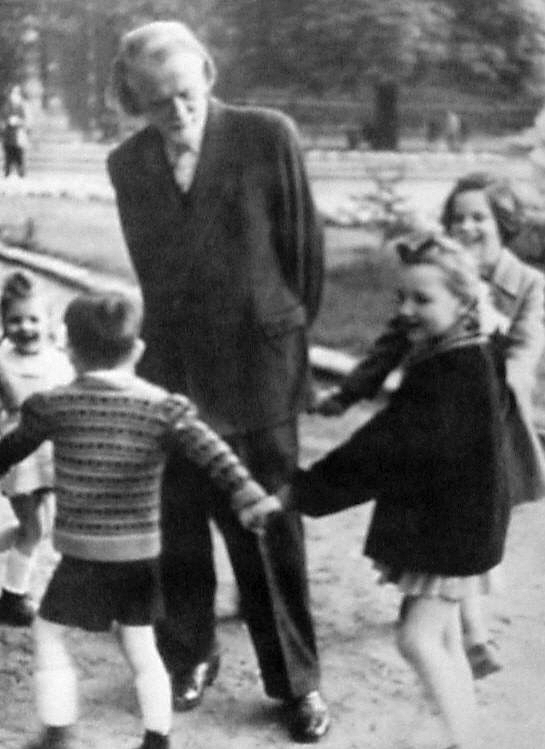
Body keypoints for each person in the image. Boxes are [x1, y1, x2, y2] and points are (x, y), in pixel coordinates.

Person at [107, 20, 329, 742]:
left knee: (264, 522)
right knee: (177, 519)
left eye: (184, 92)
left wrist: (280, 337)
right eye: (156, 101)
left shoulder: (266, 134)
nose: (176, 111)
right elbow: (152, 272)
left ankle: (294, 680)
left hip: (257, 367)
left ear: (205, 71)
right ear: (134, 101)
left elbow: (304, 255)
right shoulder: (128, 163)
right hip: (173, 368)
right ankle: (190, 652)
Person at [250, 235, 515, 749]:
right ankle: (468, 737)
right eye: (402, 299)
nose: (407, 311)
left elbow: (382, 449)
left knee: (417, 639)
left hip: (454, 527)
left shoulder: (454, 372)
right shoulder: (467, 351)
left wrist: (297, 493)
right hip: (460, 520)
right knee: (441, 638)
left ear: (463, 302)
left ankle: (467, 742)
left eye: (423, 300)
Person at [0, 291, 279, 749]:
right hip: (139, 554)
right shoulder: (163, 408)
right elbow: (213, 452)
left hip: (84, 553)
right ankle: (157, 737)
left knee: (49, 633)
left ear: (68, 348)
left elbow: (11, 449)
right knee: (141, 645)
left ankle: (56, 730)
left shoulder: (55, 405)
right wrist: (248, 495)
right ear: (137, 350)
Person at [316, 171, 545, 678]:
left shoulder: (526, 283)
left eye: (479, 217)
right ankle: (466, 633)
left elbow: (528, 348)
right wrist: (350, 393)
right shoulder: (431, 273)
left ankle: (471, 633)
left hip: (495, 419)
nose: (467, 226)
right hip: (443, 420)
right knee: (450, 526)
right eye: (458, 216)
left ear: (502, 224)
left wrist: (490, 374)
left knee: (475, 524)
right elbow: (389, 345)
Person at [0, 271, 73, 626]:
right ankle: (12, 596)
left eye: (33, 319)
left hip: (51, 454)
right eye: (15, 320)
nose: (25, 327)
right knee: (33, 529)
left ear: (48, 322)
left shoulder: (59, 359)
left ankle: (13, 587)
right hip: (19, 455)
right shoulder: (2, 361)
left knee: (39, 527)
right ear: (3, 323)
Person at [1, 85, 30, 178]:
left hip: (19, 136)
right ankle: (7, 172)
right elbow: (2, 118)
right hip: (8, 136)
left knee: (20, 156)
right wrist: (7, 122)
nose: (15, 95)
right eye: (13, 93)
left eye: (17, 93)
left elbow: (27, 120)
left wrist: (19, 121)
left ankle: (21, 173)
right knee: (8, 155)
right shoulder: (6, 105)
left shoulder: (24, 106)